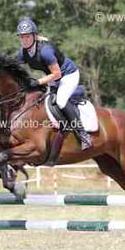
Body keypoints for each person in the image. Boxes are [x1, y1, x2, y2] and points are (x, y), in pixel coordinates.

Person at [15, 17, 92, 150]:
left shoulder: (45, 51)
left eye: (27, 36)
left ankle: (83, 135)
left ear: (34, 36)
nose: (25, 40)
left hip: (68, 75)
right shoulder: (23, 52)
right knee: (42, 100)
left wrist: (37, 82)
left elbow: (57, 74)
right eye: (22, 37)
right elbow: (13, 67)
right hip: (53, 77)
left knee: (61, 101)